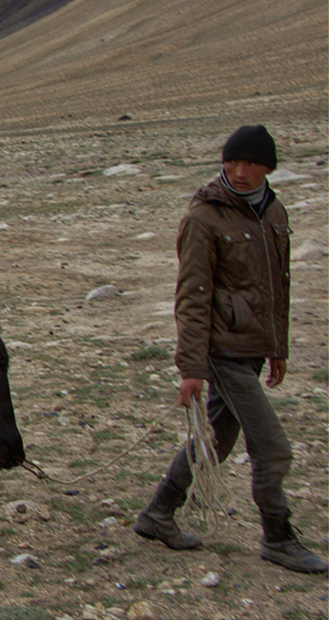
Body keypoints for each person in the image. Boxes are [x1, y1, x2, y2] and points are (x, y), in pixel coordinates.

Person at [134, 125, 326, 574]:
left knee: (216, 439)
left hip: (252, 350)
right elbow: (192, 295)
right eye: (231, 162)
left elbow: (277, 287)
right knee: (272, 447)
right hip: (222, 352)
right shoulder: (204, 218)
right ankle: (278, 537)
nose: (239, 172)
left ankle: (158, 514)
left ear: (268, 167)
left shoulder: (273, 210)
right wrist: (191, 368)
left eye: (250, 164)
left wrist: (277, 347)